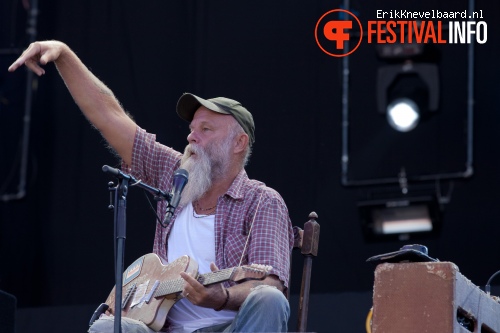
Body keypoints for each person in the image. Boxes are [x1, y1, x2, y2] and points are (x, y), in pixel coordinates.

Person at [9, 41, 294, 333]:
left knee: (270, 299)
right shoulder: (175, 174)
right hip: (163, 329)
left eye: (206, 129)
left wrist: (221, 298)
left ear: (239, 143)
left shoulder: (262, 200)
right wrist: (64, 55)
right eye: (191, 130)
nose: (192, 137)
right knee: (106, 328)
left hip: (230, 328)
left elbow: (269, 284)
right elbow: (109, 117)